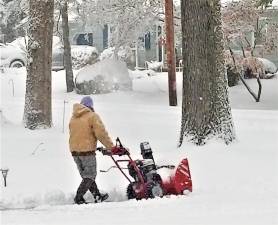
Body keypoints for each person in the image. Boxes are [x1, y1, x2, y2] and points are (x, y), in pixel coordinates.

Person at [69, 96, 114, 204]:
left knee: (87, 176)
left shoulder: (73, 118)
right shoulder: (92, 116)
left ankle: (97, 196)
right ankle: (78, 197)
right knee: (90, 176)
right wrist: (111, 147)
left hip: (75, 152)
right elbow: (101, 134)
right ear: (91, 106)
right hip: (87, 151)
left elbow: (78, 134)